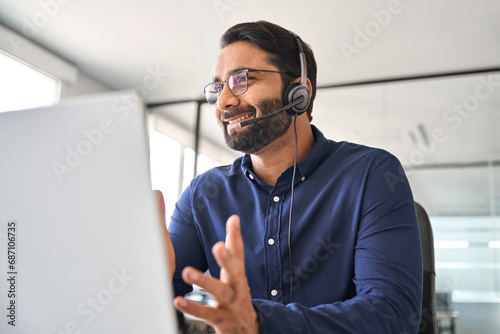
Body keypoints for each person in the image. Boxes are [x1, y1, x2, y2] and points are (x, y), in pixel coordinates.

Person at [164, 20, 423, 334]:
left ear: (299, 92)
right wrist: (151, 282)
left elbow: (392, 314)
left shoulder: (371, 174)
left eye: (242, 79)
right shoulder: (203, 194)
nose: (224, 102)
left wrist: (258, 322)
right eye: (218, 88)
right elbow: (160, 306)